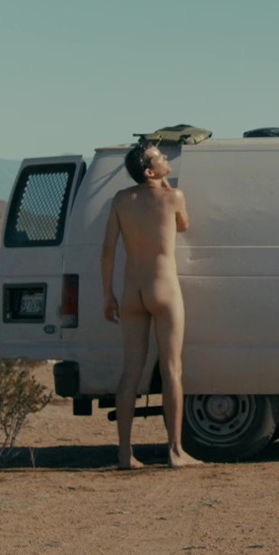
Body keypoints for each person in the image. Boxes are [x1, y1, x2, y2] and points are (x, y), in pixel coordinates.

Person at [102, 142, 202, 469]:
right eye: (159, 157)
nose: (165, 158)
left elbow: (108, 249)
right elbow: (183, 225)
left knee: (131, 370)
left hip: (132, 291)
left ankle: (124, 453)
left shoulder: (121, 200)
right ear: (149, 171)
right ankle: (175, 450)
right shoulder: (174, 197)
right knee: (171, 368)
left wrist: (107, 294)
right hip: (163, 288)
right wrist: (167, 187)